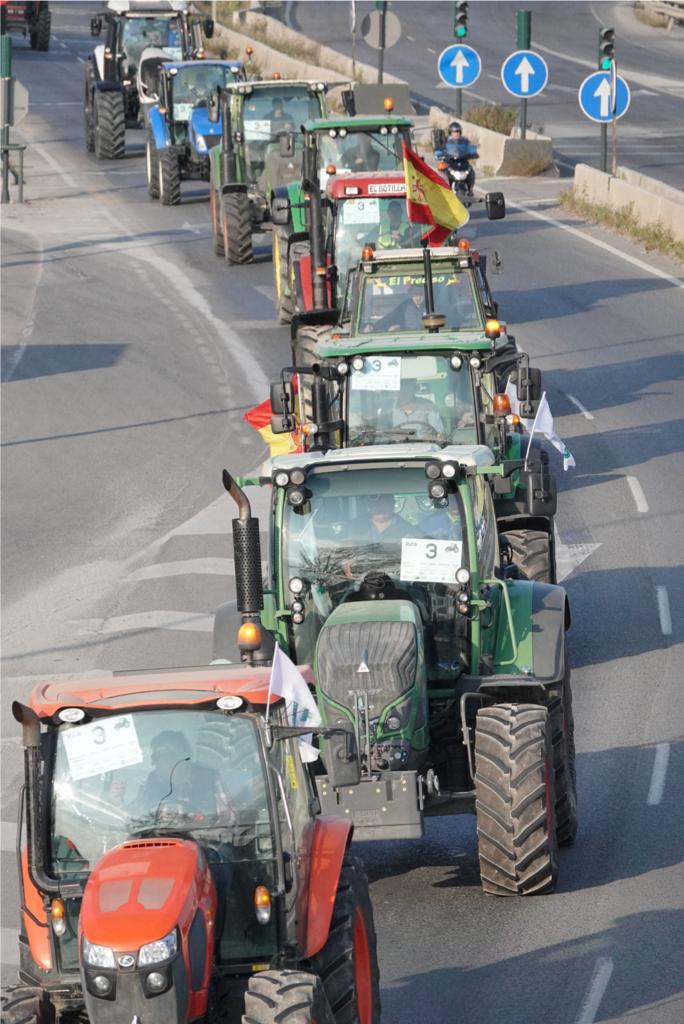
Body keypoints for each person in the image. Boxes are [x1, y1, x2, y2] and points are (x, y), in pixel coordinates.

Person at [137, 730, 234, 822]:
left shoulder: (210, 778)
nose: (156, 764)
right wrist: (120, 800)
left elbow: (229, 821)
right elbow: (134, 819)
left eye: (167, 756)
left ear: (184, 757)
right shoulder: (151, 781)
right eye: (155, 758)